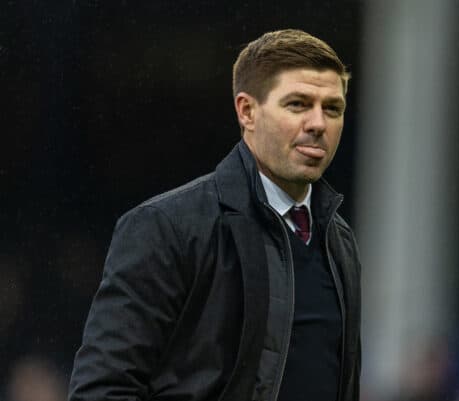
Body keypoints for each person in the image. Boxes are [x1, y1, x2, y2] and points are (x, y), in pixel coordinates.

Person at [68, 29, 361, 401]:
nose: (318, 124)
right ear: (247, 111)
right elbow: (103, 390)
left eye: (332, 108)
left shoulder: (339, 239)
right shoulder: (166, 226)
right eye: (298, 104)